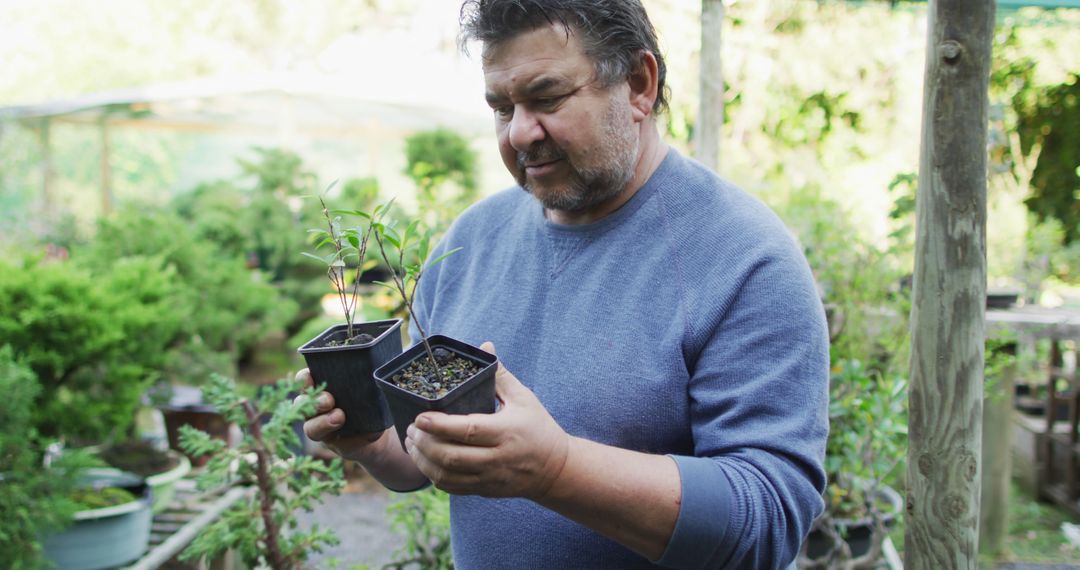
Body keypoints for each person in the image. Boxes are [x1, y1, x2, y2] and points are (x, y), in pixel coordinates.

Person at [300, 1, 829, 567]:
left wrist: (555, 470)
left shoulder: (744, 259)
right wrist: (375, 444)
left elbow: (769, 522)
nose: (522, 132)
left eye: (547, 98)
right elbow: (428, 457)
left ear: (638, 85)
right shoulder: (470, 243)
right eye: (502, 108)